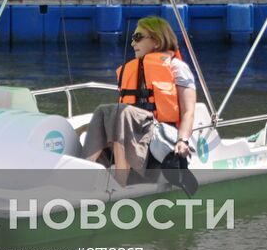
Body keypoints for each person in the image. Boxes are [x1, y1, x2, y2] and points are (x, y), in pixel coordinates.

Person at [81, 16, 197, 183]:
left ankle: (120, 182)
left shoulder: (177, 67)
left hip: (161, 134)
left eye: (138, 38)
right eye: (132, 38)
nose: (133, 43)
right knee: (102, 110)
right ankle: (84, 172)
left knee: (122, 112)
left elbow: (188, 112)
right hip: (132, 130)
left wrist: (183, 140)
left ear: (156, 41)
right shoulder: (132, 69)